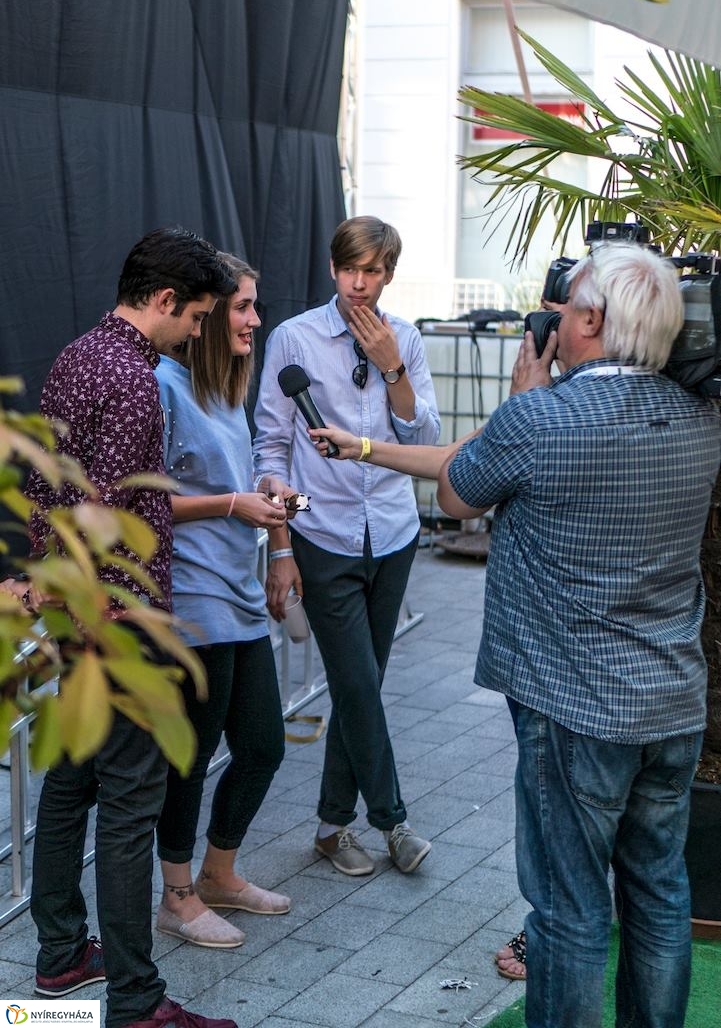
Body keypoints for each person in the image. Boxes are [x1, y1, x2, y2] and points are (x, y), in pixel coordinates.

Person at [310, 241, 721, 1027]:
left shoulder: (540, 416)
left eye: (563, 310)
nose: (552, 320)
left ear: (593, 319)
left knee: (567, 908)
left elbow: (460, 496)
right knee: (659, 893)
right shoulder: (700, 418)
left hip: (572, 707)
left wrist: (524, 395)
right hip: (670, 702)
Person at [23, 228, 240, 1028]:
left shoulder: (78, 355)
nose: (198, 331)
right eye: (196, 317)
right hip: (116, 620)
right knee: (128, 806)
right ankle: (138, 1004)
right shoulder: (134, 379)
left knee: (72, 786)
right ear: (162, 300)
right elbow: (101, 508)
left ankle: (59, 960)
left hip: (72, 609)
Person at [253, 215, 440, 877]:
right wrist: (278, 532)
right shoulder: (293, 338)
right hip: (323, 535)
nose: (359, 283)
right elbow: (269, 443)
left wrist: (393, 370)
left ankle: (331, 828)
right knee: (358, 683)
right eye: (349, 269)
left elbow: (423, 449)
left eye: (373, 270)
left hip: (392, 532)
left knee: (361, 688)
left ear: (388, 273)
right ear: (333, 269)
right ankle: (393, 822)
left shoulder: (407, 341)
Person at [154, 255, 292, 950]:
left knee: (263, 746)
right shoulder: (161, 386)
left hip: (239, 594)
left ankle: (218, 874)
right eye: (239, 308)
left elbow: (238, 488)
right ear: (204, 317)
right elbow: (141, 504)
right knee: (193, 751)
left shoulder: (226, 392)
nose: (252, 320)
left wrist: (271, 512)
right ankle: (175, 896)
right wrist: (232, 503)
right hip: (192, 600)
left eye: (252, 307)